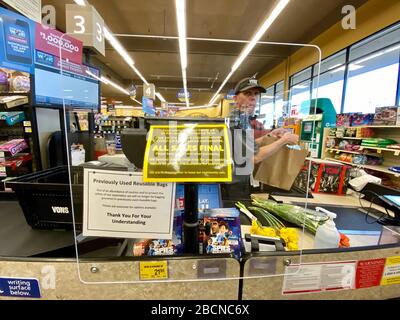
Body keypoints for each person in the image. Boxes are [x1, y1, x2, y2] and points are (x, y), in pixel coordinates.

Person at [222, 77, 299, 199]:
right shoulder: (237, 121)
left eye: (255, 94)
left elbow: (246, 146)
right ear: (235, 98)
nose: (253, 97)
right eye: (247, 93)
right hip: (233, 185)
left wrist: (270, 135)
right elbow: (254, 157)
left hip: (237, 182)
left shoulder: (242, 118)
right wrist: (284, 140)